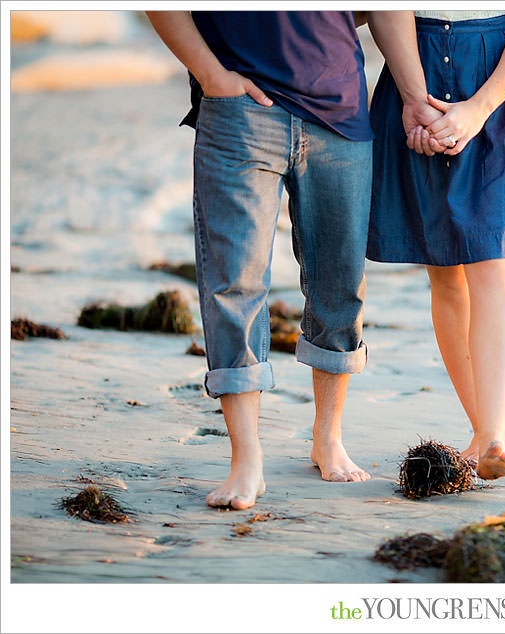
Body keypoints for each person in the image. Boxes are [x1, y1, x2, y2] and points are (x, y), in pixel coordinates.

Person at [146, 11, 375, 509]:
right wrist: (211, 74)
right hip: (239, 109)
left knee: (340, 283)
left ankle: (328, 438)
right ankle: (246, 459)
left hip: (340, 109)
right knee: (234, 282)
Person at [367, 11, 505, 479]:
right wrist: (414, 97)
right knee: (445, 271)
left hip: (501, 92)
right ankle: (481, 431)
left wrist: (479, 108)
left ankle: (494, 436)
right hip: (416, 76)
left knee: (499, 262)